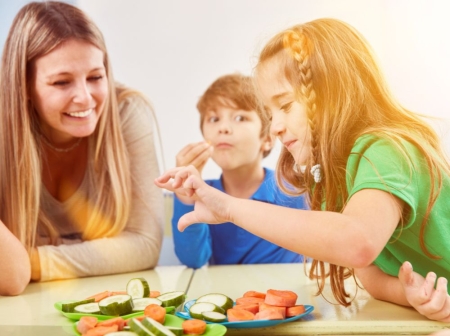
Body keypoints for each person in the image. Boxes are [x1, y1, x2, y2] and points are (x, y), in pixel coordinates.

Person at [155, 18, 450, 322]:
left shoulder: (387, 150)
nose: (277, 127)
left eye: (285, 106)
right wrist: (411, 293)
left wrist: (230, 208)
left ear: (332, 93)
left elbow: (357, 244)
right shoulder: (333, 175)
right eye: (270, 113)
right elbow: (370, 274)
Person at [0, 1, 164, 296]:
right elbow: (9, 277)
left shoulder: (127, 112)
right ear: (23, 84)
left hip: (106, 300)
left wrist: (31, 260)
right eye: (62, 82)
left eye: (95, 77)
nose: (85, 98)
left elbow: (145, 244)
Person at [171, 73, 307, 268]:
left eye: (240, 117)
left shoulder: (295, 192)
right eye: (214, 119)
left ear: (268, 138)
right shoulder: (201, 195)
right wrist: (186, 197)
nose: (223, 128)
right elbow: (194, 260)